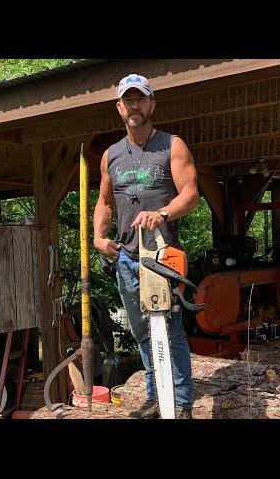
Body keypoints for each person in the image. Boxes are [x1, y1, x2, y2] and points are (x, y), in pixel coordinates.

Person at [93, 73, 199, 419]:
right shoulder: (111, 155)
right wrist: (98, 237)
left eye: (141, 99)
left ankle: (181, 402)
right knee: (141, 332)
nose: (134, 105)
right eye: (128, 100)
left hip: (163, 257)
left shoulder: (171, 145)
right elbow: (104, 202)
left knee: (170, 330)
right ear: (119, 107)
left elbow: (190, 194)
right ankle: (155, 396)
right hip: (126, 258)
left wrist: (163, 213)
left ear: (152, 104)